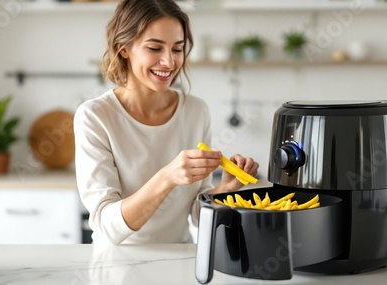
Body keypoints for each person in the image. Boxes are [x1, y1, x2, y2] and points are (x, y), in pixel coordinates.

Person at [74, 0, 259, 245]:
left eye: (177, 49)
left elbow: (196, 215)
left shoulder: (195, 111)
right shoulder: (95, 116)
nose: (169, 62)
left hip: (179, 259)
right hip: (116, 263)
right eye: (154, 48)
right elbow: (107, 226)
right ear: (124, 48)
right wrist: (167, 177)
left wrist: (223, 190)